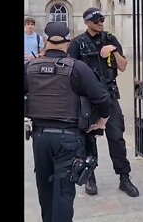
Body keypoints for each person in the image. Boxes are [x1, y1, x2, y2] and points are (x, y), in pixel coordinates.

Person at [24, 21, 111, 222]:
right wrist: (102, 121)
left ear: (45, 41)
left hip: (40, 137)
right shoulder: (77, 68)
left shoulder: (30, 67)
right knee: (63, 193)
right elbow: (102, 98)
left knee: (45, 191)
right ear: (67, 42)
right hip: (68, 139)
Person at [67, 7, 139, 197]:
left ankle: (124, 178)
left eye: (102, 20)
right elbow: (71, 73)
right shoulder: (77, 43)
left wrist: (113, 51)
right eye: (96, 20)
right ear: (87, 22)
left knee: (116, 136)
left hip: (110, 95)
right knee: (88, 138)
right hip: (88, 99)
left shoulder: (110, 39)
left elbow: (123, 67)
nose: (100, 23)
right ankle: (90, 176)